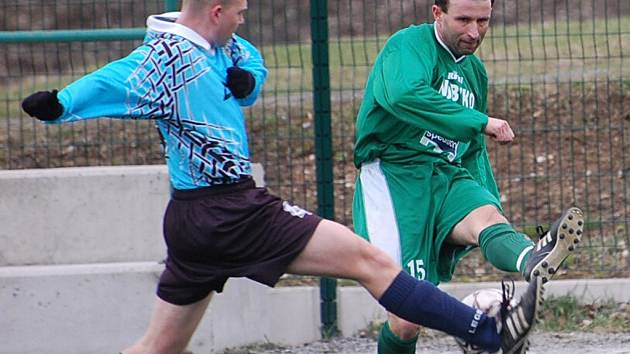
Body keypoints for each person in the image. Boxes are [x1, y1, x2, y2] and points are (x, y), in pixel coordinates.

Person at [21, 1, 542, 353]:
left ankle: (484, 329)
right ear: (217, 10)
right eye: (241, 12)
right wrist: (61, 104)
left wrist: (249, 78)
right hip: (234, 210)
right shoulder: (161, 60)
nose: (245, 21)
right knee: (370, 261)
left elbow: (249, 69)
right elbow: (110, 82)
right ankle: (488, 332)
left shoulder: (221, 48)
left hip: (189, 221)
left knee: (159, 348)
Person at [352, 0, 585, 353]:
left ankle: (531, 258)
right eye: (463, 20)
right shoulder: (408, 46)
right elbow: (404, 96)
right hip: (394, 177)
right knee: (405, 319)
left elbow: (472, 149)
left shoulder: (474, 72)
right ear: (437, 13)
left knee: (488, 218)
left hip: (445, 173)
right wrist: (482, 121)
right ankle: (482, 325)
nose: (474, 32)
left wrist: (488, 199)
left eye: (483, 20)